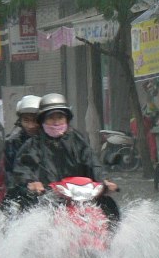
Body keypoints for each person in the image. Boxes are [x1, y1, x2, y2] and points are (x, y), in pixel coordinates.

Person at [13, 93, 121, 226]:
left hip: (80, 194)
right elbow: (23, 167)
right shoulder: (33, 144)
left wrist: (104, 180)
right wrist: (31, 182)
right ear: (42, 121)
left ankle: (110, 241)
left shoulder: (77, 140)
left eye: (60, 117)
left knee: (109, 206)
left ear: (67, 119)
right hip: (47, 196)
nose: (56, 122)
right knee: (32, 215)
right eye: (51, 118)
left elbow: (92, 161)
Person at [0, 95, 41, 214]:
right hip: (20, 193)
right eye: (26, 120)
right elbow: (10, 174)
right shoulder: (12, 142)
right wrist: (26, 186)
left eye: (35, 120)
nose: (31, 125)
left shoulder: (52, 140)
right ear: (20, 121)